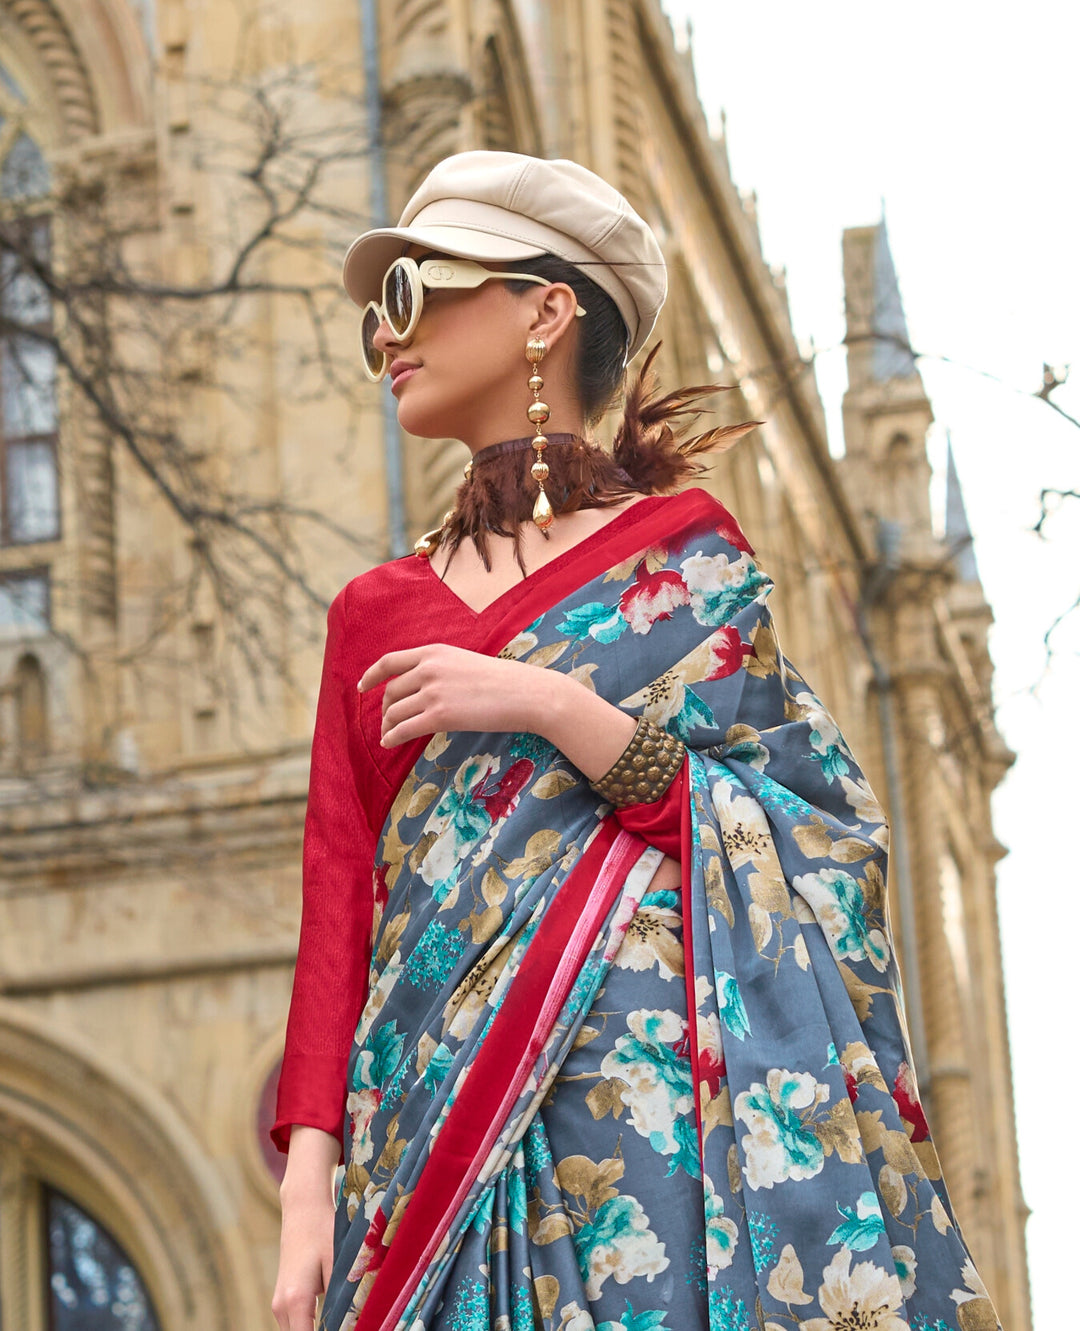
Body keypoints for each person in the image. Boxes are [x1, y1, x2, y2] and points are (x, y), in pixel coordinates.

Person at [271, 151, 1000, 1331]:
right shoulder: (374, 613)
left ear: (544, 311)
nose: (385, 333)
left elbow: (812, 834)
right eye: (373, 313)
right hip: (422, 1139)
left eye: (414, 289)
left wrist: (548, 702)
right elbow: (338, 903)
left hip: (655, 1132)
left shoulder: (686, 557)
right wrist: (308, 1190)